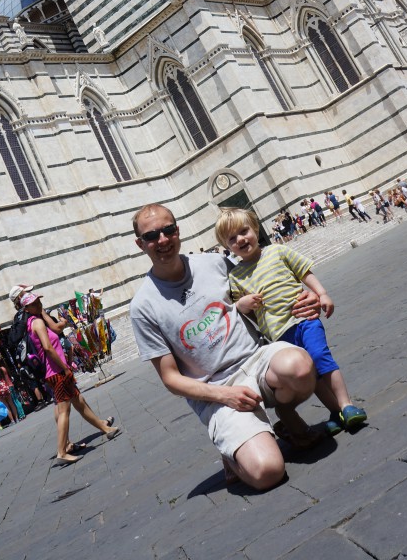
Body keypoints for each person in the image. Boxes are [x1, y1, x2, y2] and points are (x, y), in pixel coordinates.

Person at [130, 203, 323, 492]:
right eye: (151, 236)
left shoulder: (213, 262)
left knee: (300, 366)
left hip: (257, 359)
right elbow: (170, 378)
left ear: (177, 230)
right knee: (267, 472)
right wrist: (224, 395)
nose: (162, 240)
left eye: (168, 230)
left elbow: (261, 275)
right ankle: (232, 453)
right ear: (140, 244)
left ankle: (286, 417)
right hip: (217, 389)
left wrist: (306, 295)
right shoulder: (143, 306)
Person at [216, 208, 367, 437]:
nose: (241, 239)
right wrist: (241, 306)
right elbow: (244, 314)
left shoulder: (277, 251)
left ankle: (347, 405)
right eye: (232, 238)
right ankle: (335, 412)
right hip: (279, 336)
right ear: (227, 246)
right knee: (312, 374)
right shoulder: (235, 276)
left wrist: (322, 294)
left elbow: (304, 272)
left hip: (303, 320)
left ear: (255, 229)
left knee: (320, 356)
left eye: (244, 231)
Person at [20, 292, 120, 466]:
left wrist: (42, 312)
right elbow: (48, 348)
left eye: (38, 301)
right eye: (34, 304)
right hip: (56, 372)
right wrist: (65, 368)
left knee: (79, 402)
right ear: (27, 308)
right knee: (64, 411)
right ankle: (61, 452)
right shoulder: (36, 323)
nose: (38, 304)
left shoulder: (35, 321)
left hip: (56, 372)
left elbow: (55, 330)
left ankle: (105, 428)